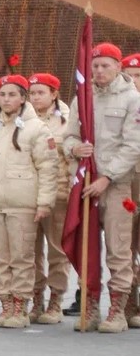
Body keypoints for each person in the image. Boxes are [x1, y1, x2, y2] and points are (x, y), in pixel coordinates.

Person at [0, 74, 58, 328]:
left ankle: (20, 306)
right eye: (2, 95)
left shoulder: (36, 128)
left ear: (22, 98)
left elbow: (47, 168)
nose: (6, 99)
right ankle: (5, 305)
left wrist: (44, 203)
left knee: (21, 257)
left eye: (12, 94)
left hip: (22, 203)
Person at [63, 43, 140, 333]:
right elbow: (67, 137)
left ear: (119, 67)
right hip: (84, 186)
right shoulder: (81, 99)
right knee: (88, 248)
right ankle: (90, 307)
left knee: (119, 250)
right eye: (94, 66)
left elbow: (133, 145)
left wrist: (106, 177)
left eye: (105, 65)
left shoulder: (133, 99)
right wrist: (75, 148)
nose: (98, 70)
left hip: (115, 185)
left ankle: (118, 310)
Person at [27, 73, 72, 323]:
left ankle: (56, 300)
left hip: (58, 195)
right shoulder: (23, 119)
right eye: (32, 93)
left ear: (54, 94)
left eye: (40, 93)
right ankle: (36, 299)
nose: (35, 98)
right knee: (30, 252)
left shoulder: (69, 120)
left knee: (57, 250)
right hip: (29, 195)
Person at [120, 53, 140, 328]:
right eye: (130, 76)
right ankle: (129, 305)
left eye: (139, 76)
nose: (134, 81)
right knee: (126, 247)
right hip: (128, 182)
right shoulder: (119, 104)